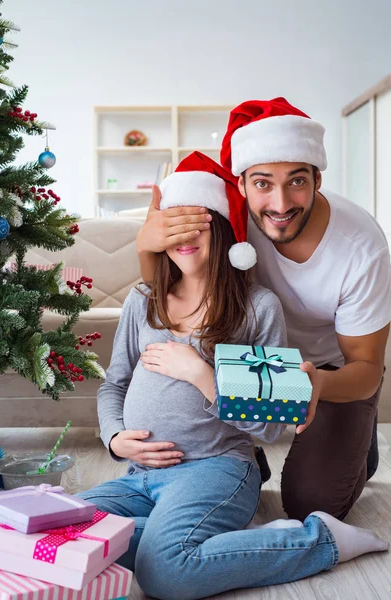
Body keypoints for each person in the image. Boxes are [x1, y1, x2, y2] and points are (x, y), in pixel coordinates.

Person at [78, 152, 388, 600]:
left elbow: (267, 426)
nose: (185, 238)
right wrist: (113, 437)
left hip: (216, 467)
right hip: (138, 474)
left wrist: (202, 374)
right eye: (175, 226)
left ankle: (321, 540)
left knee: (165, 574)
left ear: (224, 231)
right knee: (62, 529)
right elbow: (115, 383)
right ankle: (191, 539)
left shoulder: (257, 308)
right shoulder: (143, 300)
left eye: (199, 225)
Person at [136, 97, 391, 522]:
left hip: (328, 369)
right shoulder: (226, 218)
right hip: (245, 355)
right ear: (240, 184)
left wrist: (320, 388)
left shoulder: (361, 246)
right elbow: (166, 285)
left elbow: (365, 365)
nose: (279, 203)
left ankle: (357, 441)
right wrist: (147, 241)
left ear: (317, 179)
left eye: (296, 181)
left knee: (311, 505)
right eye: (262, 183)